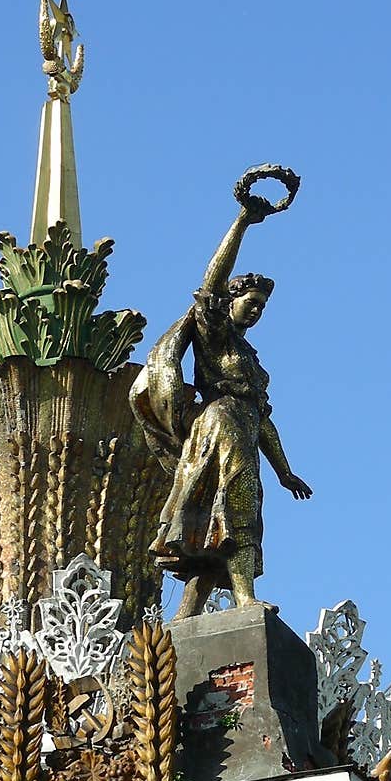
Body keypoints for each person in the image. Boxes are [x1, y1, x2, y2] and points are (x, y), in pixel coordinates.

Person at [130, 166, 312, 619]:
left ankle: (186, 618)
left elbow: (263, 419)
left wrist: (285, 471)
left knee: (225, 516)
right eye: (251, 304)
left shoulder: (251, 362)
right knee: (235, 509)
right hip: (219, 427)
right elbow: (210, 285)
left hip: (243, 433)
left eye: (262, 308)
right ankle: (245, 599)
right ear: (231, 304)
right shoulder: (217, 337)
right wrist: (243, 223)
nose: (256, 312)